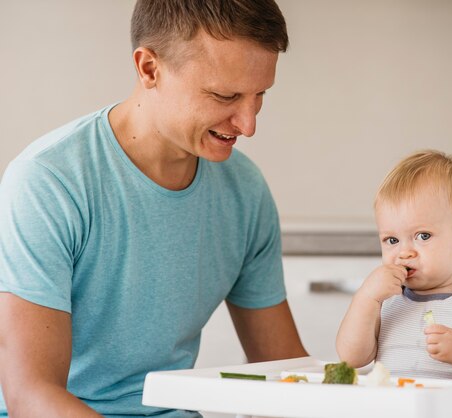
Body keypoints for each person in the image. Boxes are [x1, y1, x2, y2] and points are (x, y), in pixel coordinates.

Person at [0, 0, 308, 416]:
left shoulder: (245, 191)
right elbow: (30, 396)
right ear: (149, 68)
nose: (249, 124)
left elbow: (284, 369)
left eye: (260, 96)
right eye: (225, 95)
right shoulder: (49, 183)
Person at [336, 150, 452, 379]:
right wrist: (365, 298)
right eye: (392, 240)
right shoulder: (385, 302)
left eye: (422, 236)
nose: (404, 253)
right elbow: (351, 359)